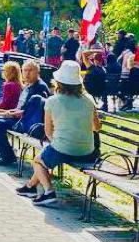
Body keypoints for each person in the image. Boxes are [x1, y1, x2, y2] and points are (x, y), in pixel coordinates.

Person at [16, 61, 101, 206]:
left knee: (38, 160)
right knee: (46, 157)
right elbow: (97, 128)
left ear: (58, 82)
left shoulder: (52, 101)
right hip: (87, 150)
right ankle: (30, 187)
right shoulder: (89, 101)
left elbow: (48, 131)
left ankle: (49, 192)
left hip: (63, 147)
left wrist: (59, 141)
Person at [0, 60, 50, 166]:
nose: (27, 73)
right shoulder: (28, 85)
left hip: (28, 123)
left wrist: (8, 113)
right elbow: (20, 107)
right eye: (25, 70)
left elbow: (29, 111)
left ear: (38, 72)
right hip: (19, 118)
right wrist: (8, 112)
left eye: (30, 71)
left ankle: (8, 156)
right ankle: (4, 153)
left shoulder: (39, 87)